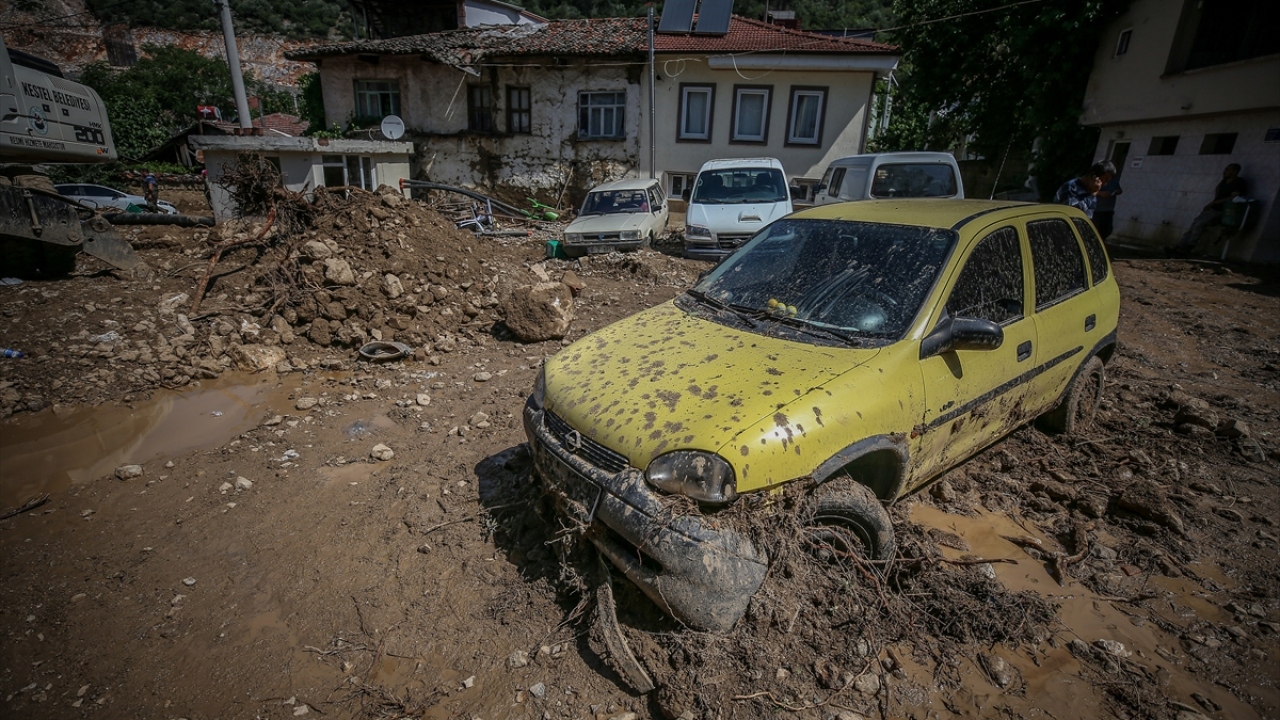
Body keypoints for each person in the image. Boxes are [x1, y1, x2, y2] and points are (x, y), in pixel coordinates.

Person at [1178, 163, 1246, 254]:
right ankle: (1180, 245)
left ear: (1235, 171)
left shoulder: (1239, 182)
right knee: (1194, 224)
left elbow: (1233, 197)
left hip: (1222, 211)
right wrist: (1215, 200)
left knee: (1199, 224)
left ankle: (1189, 246)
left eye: (1228, 170)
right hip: (1213, 208)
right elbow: (1218, 188)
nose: (1225, 172)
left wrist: (1214, 202)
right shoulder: (1225, 181)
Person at [1093, 174, 1123, 239]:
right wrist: (1100, 193)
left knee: (1106, 230)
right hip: (1097, 210)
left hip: (1108, 210)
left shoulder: (1114, 180)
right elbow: (1089, 190)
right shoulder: (1098, 178)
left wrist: (1116, 192)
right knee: (1094, 229)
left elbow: (1119, 190)